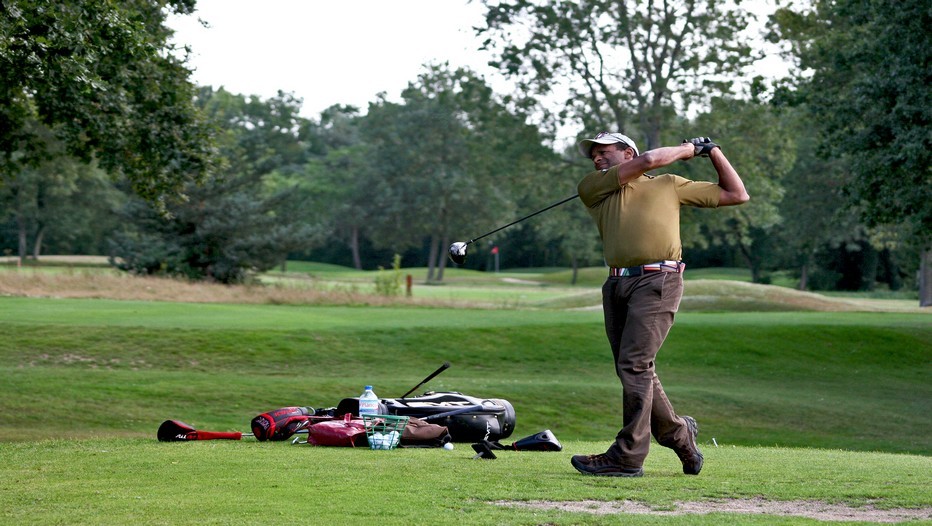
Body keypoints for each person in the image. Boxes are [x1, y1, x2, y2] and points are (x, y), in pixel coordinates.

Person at [571, 132, 749, 477]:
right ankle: (680, 435)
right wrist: (689, 149)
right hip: (616, 283)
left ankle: (627, 456)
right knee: (635, 367)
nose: (596, 158)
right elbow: (649, 160)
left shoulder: (669, 184)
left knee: (634, 364)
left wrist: (713, 152)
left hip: (658, 280)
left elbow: (736, 194)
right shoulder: (593, 186)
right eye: (593, 154)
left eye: (604, 151)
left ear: (627, 152)